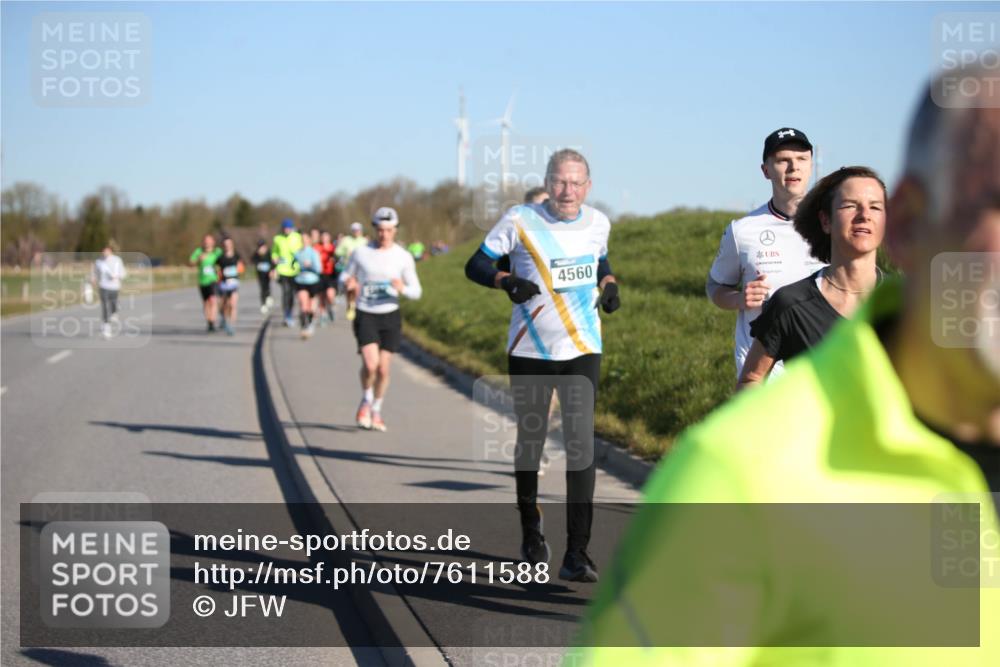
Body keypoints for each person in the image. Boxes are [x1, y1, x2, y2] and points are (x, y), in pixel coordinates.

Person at [570, 68, 1000, 665]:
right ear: (910, 223)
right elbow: (716, 291)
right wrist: (739, 310)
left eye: (802, 158)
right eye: (996, 200)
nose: (792, 167)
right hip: (787, 395)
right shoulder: (740, 468)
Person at [464, 148, 620, 583]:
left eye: (576, 183)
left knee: (580, 446)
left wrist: (609, 285)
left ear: (588, 187)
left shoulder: (598, 222)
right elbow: (474, 264)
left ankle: (577, 553)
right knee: (531, 442)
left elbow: (600, 260)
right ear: (548, 182)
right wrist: (505, 280)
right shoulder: (519, 220)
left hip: (583, 346)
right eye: (559, 181)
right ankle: (531, 533)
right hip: (530, 349)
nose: (567, 191)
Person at [737, 166, 887, 389]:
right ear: (826, 221)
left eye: (875, 207)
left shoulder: (911, 303)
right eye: (850, 206)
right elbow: (752, 379)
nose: (864, 215)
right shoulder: (791, 303)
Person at [706, 128, 826, 379]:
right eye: (783, 160)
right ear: (766, 170)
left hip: (822, 367)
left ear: (811, 165)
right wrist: (739, 299)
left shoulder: (833, 226)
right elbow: (714, 286)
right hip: (764, 375)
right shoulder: (742, 231)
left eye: (802, 159)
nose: (793, 168)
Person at [341, 207, 422, 432]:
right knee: (370, 365)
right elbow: (345, 274)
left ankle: (376, 409)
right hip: (366, 313)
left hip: (390, 315)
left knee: (384, 370)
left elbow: (417, 291)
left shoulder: (403, 256)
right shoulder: (360, 252)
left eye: (388, 230)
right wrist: (348, 282)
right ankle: (366, 400)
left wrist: (402, 288)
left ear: (395, 230)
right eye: (380, 230)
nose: (384, 235)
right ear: (374, 229)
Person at [271, 218, 303, 328]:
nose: (286, 230)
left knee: (292, 294)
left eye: (288, 228)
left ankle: (290, 314)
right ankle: (286, 315)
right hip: (282, 269)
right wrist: (274, 258)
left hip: (295, 269)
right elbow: (274, 251)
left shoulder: (297, 237)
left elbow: (302, 250)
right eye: (285, 228)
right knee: (285, 292)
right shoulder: (277, 239)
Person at [91, 241, 126, 339]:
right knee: (105, 307)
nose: (104, 253)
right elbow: (95, 272)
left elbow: (123, 273)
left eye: (106, 251)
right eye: (103, 251)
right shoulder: (98, 262)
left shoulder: (117, 260)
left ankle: (114, 312)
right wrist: (93, 279)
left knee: (113, 305)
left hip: (114, 286)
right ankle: (107, 327)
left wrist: (117, 276)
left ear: (110, 251)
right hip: (103, 286)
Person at [336, 221, 369, 321]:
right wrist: (346, 252)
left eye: (358, 230)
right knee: (348, 288)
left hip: (360, 269)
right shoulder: (346, 240)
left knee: (356, 289)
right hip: (348, 268)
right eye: (354, 230)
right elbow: (337, 251)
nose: (356, 232)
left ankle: (354, 305)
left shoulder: (364, 241)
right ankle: (349, 304)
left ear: (361, 231)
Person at [292, 232, 323, 339]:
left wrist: (310, 265)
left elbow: (319, 269)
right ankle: (304, 326)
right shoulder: (297, 253)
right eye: (302, 240)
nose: (304, 242)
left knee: (311, 308)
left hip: (313, 281)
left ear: (309, 241)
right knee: (303, 305)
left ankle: (310, 324)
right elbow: (292, 266)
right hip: (300, 281)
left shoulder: (314, 253)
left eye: (306, 240)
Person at [189, 234, 222, 332]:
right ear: (203, 242)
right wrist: (198, 259)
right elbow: (191, 262)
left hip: (214, 280)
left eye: (209, 240)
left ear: (213, 242)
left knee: (213, 300)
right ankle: (209, 322)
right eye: (205, 241)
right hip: (202, 281)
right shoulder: (199, 251)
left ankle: (213, 321)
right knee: (206, 303)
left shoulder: (217, 252)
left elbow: (224, 261)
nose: (207, 243)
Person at [214, 236, 244, 336]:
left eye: (229, 244)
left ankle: (231, 325)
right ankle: (224, 318)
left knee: (233, 304)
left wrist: (239, 269)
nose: (227, 246)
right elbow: (216, 269)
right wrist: (218, 274)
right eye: (225, 245)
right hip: (223, 284)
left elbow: (241, 267)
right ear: (223, 246)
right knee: (224, 305)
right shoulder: (220, 258)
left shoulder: (236, 256)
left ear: (232, 245)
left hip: (234, 283)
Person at [316, 230, 338, 324]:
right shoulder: (317, 247)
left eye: (326, 237)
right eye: (323, 237)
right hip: (320, 274)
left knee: (330, 295)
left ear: (329, 238)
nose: (324, 239)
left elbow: (339, 259)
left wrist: (335, 260)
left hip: (331, 274)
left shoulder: (333, 248)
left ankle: (331, 308)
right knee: (321, 297)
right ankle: (323, 315)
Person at [252, 239, 274, 314]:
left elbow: (272, 262)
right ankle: (263, 304)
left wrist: (272, 270)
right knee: (262, 288)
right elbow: (253, 261)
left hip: (267, 273)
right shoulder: (256, 254)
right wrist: (259, 255)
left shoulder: (269, 253)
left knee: (267, 286)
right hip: (260, 274)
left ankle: (268, 296)